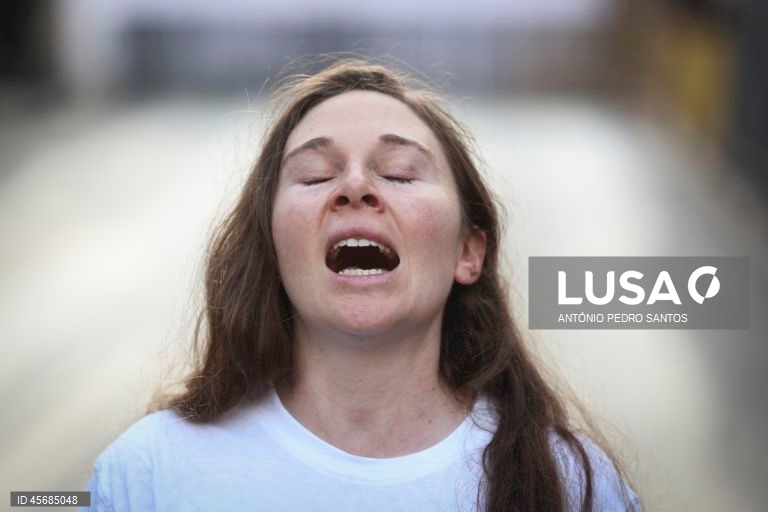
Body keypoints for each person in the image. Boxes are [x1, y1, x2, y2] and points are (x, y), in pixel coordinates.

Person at [83, 59, 641, 511]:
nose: (354, 186)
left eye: (398, 172)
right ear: (272, 248)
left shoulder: (577, 488)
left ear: (468, 252)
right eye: (315, 176)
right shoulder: (144, 476)